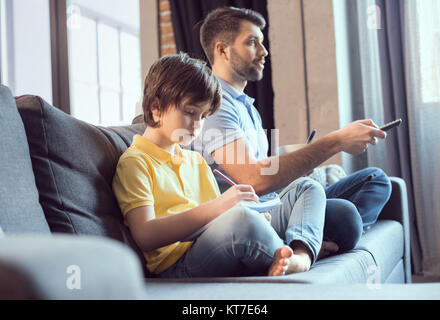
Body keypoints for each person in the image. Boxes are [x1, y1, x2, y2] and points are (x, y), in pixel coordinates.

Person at [192, 6, 392, 255]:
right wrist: (337, 141)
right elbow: (254, 179)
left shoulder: (246, 106)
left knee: (375, 180)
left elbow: (264, 166)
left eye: (262, 43)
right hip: (256, 214)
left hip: (276, 201)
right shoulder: (215, 105)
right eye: (252, 42)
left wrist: (300, 163)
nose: (264, 52)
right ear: (222, 49)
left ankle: (316, 238)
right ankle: (304, 243)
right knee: (346, 215)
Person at [112, 53, 330, 278]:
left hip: (217, 241)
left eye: (204, 115)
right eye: (189, 112)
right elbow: (146, 235)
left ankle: (300, 256)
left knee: (306, 187)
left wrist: (240, 209)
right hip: (179, 262)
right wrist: (227, 208)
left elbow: (214, 221)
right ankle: (292, 254)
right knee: (242, 222)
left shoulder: (194, 160)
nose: (198, 125)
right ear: (156, 108)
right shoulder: (135, 163)